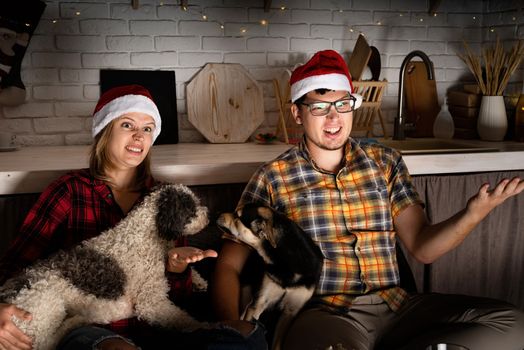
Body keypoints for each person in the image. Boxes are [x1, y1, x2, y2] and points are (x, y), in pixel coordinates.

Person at [211, 50, 524, 349]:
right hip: (326, 314)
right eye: (320, 107)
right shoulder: (273, 177)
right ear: (297, 112)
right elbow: (228, 265)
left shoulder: (385, 162)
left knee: (511, 324)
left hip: (399, 308)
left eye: (342, 104)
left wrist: (473, 213)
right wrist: (233, 327)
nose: (334, 117)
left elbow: (422, 246)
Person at [0, 84, 266, 350]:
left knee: (247, 333)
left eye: (148, 129)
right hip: (91, 330)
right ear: (105, 130)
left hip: (156, 327)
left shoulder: (166, 198)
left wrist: (176, 269)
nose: (139, 136)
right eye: (128, 125)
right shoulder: (69, 190)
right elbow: (16, 262)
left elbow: (178, 297)